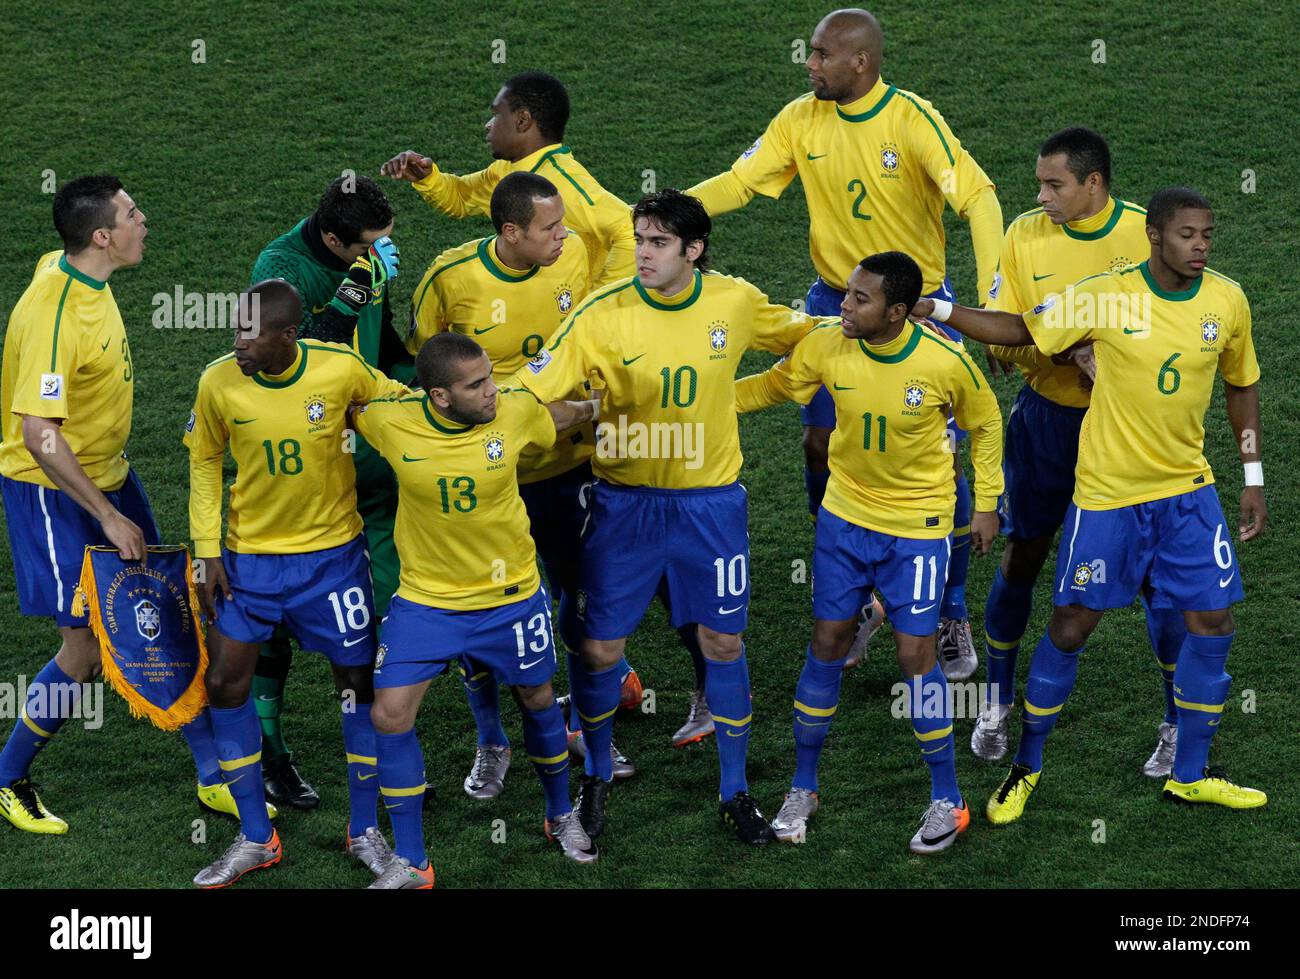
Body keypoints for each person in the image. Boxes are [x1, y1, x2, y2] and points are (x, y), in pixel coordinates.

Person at [911, 187, 1269, 823]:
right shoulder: (1107, 293)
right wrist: (939, 306)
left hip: (1188, 494)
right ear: (1155, 236)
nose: (1201, 246)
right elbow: (1024, 328)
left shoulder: (1227, 299)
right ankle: (1027, 766)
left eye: (1208, 235)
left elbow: (1242, 383)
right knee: (1072, 624)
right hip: (1108, 497)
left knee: (1212, 623)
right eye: (1188, 235)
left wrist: (1253, 473)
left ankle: (1191, 772)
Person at [686, 7, 1003, 679]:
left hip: (913, 310)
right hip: (836, 301)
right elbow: (742, 182)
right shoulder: (801, 119)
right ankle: (857, 588)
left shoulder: (911, 119)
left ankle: (948, 609)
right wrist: (670, 214)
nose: (810, 62)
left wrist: (993, 294)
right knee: (819, 440)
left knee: (935, 459)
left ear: (861, 62)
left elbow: (979, 197)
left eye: (823, 54)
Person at [515, 189, 818, 845]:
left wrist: (871, 332)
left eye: (657, 242)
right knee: (598, 647)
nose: (643, 253)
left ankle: (735, 792)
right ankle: (595, 776)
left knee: (723, 644)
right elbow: (532, 389)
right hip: (622, 506)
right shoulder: (602, 314)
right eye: (640, 239)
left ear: (694, 249)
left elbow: (803, 336)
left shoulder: (732, 301)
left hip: (709, 508)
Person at [736, 251, 1001, 852]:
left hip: (918, 526)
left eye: (860, 298)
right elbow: (776, 386)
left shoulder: (944, 359)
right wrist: (701, 401)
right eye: (847, 293)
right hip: (845, 520)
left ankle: (948, 799)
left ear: (898, 311)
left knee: (916, 658)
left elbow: (985, 425)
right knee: (827, 643)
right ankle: (803, 787)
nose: (844, 306)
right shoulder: (829, 343)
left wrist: (986, 503)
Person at [0, 175, 237, 834]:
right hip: (49, 490)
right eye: (133, 213)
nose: (145, 220)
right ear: (102, 236)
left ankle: (213, 775)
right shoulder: (55, 315)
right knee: (83, 644)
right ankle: (7, 775)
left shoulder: (72, 267)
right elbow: (38, 433)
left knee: (162, 606)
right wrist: (105, 514)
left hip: (108, 473)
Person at [407, 170, 638, 794]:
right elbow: (425, 376)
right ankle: (491, 742)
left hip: (566, 466)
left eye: (564, 223)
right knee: (476, 610)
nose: (564, 237)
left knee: (580, 595)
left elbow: (592, 338)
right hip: (486, 481)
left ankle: (594, 731)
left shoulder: (576, 258)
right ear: (510, 232)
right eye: (549, 229)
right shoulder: (450, 280)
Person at [185, 279, 411, 888]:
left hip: (331, 562)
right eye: (235, 327)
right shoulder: (217, 383)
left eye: (250, 333)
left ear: (288, 335)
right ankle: (257, 836)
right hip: (249, 565)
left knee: (358, 684)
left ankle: (365, 829)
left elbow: (399, 405)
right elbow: (204, 461)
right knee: (225, 684)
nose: (237, 342)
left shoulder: (340, 370)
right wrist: (207, 552)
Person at [972, 128, 1184, 774]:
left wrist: (1109, 350)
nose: (1041, 196)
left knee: (1156, 579)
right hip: (1047, 425)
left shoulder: (1147, 235)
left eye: (1054, 185)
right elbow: (1004, 339)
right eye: (1039, 183)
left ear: (1094, 183)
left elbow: (1178, 322)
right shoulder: (1024, 234)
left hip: (1125, 433)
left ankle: (1176, 721)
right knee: (1024, 552)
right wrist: (1059, 346)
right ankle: (997, 699)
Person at [358, 333, 602, 887]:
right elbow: (344, 401)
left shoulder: (512, 409)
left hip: (509, 597)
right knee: (388, 715)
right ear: (440, 396)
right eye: (477, 385)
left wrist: (598, 406)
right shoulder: (391, 422)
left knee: (539, 700)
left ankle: (560, 813)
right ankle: (413, 862)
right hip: (428, 601)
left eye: (491, 377)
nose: (493, 391)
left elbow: (552, 416)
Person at [243, 175, 406, 809]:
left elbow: (382, 339)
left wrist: (418, 388)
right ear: (334, 238)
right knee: (271, 626)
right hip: (297, 468)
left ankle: (384, 759)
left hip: (365, 453)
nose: (381, 254)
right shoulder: (278, 270)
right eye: (368, 245)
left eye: (387, 243)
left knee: (376, 617)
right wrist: (347, 298)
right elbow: (283, 363)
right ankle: (269, 755)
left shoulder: (365, 259)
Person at [382, 70, 633, 290]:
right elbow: (461, 197)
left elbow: (629, 229)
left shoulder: (562, 180)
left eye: (497, 115)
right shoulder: (507, 169)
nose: (488, 125)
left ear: (522, 120)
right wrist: (428, 178)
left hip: (569, 311)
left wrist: (594, 299)